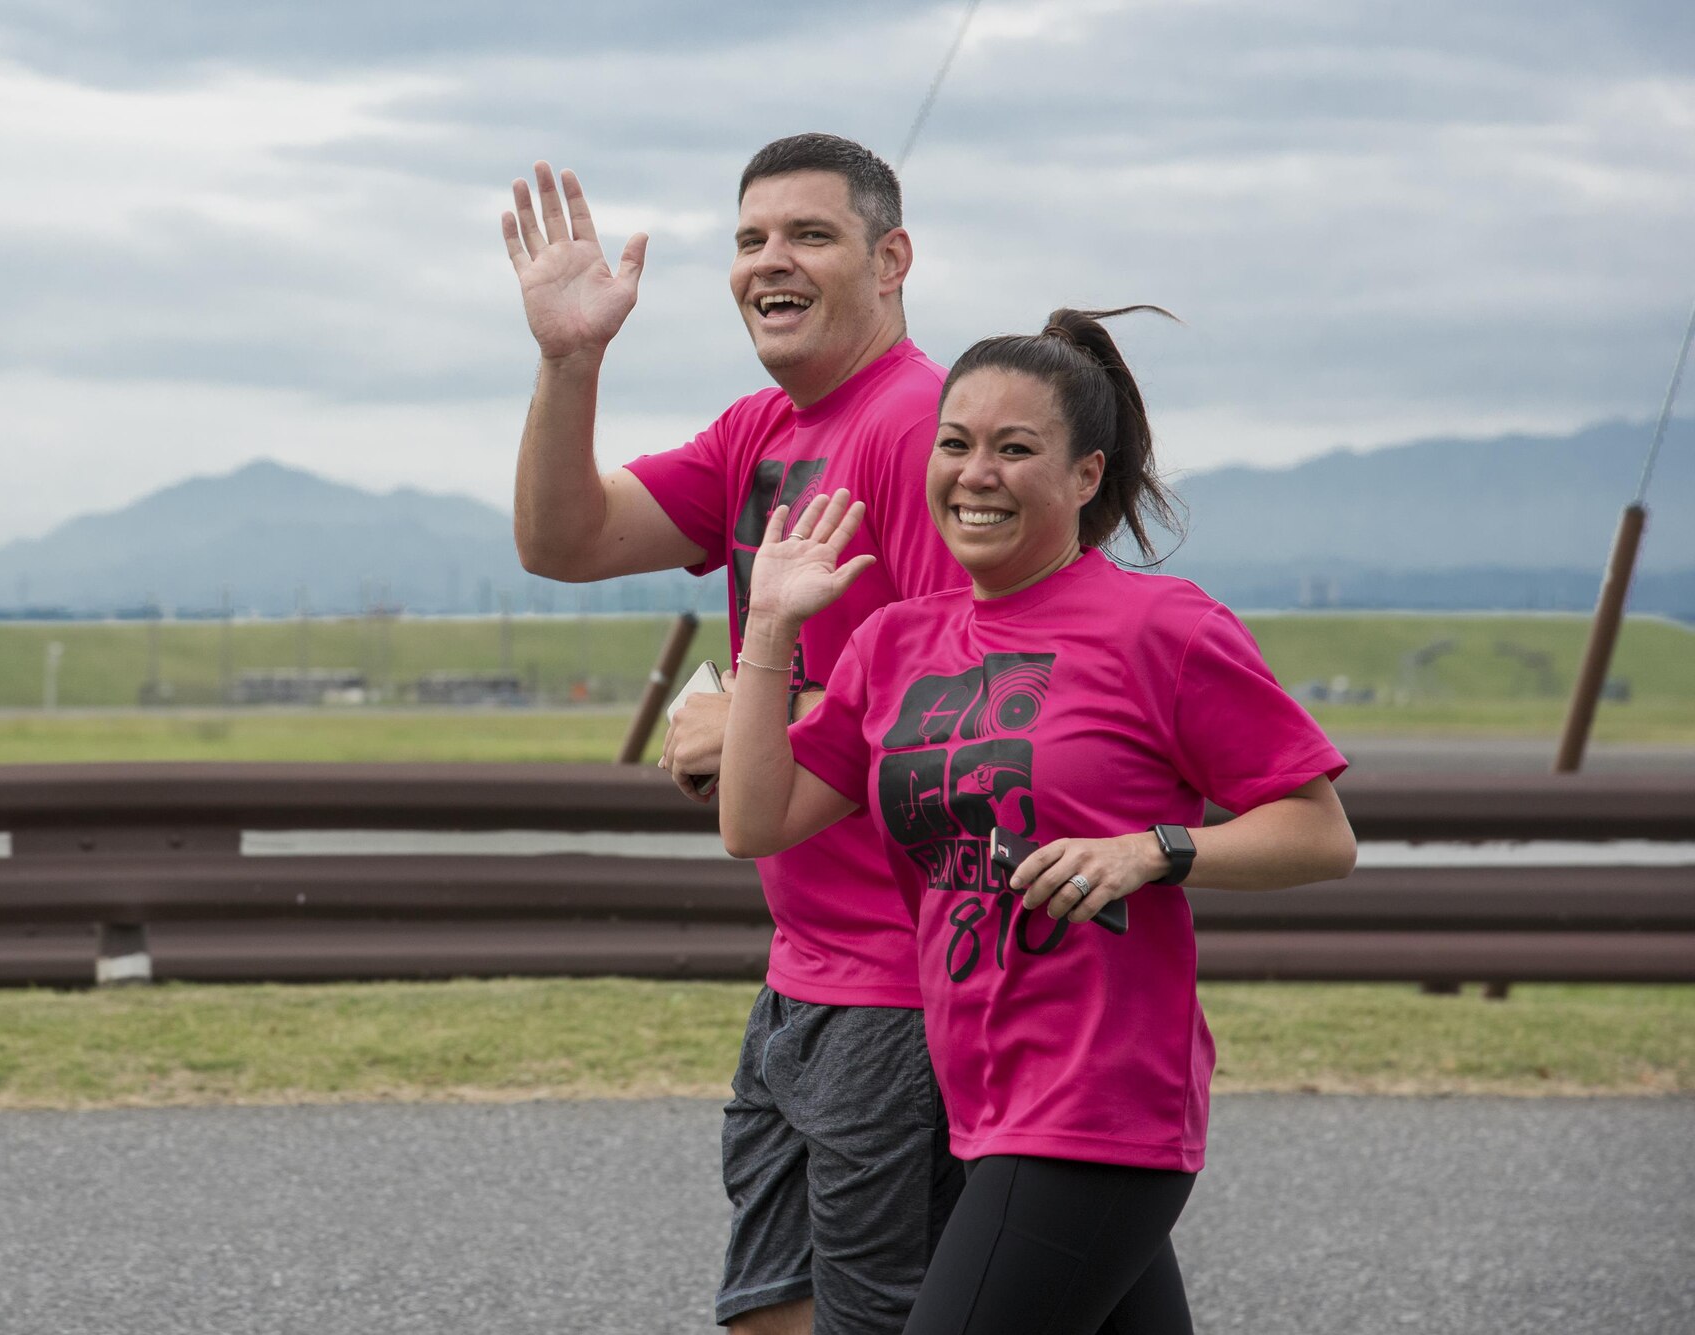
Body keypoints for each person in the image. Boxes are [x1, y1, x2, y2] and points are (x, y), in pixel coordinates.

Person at [717, 308, 1358, 1334]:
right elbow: (757, 821)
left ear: (1084, 476)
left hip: (1097, 1101)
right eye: (955, 444)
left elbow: (1318, 833)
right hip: (976, 1096)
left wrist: (1152, 850)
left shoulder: (1162, 628)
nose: (975, 474)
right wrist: (771, 625)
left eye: (1015, 449)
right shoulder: (895, 641)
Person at [500, 134, 968, 1334]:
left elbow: (958, 701)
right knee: (772, 1309)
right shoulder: (760, 429)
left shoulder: (915, 427)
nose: (772, 261)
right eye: (751, 239)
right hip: (803, 965)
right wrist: (567, 362)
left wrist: (746, 714)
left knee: (874, 1317)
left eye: (810, 235)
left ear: (891, 258)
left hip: (904, 982)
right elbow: (564, 541)